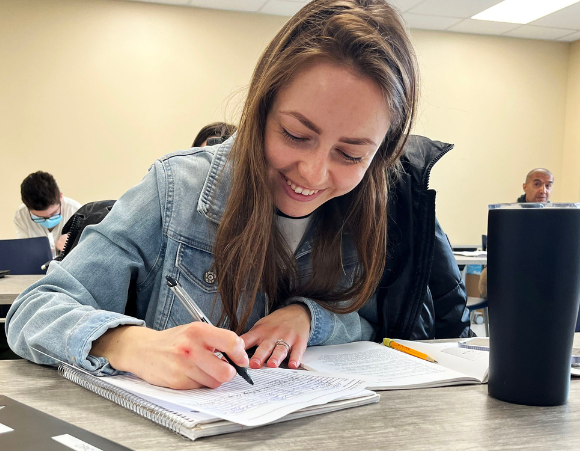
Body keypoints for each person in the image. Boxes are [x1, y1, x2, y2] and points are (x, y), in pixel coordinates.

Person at [7, 0, 464, 390]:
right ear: (261, 108)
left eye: (350, 154)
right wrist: (127, 343)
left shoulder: (371, 208)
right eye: (295, 134)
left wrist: (309, 318)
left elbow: (371, 320)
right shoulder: (175, 190)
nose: (313, 172)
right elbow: (33, 310)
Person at [13, 171, 81, 256]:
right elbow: (24, 251)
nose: (48, 221)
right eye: (39, 217)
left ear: (61, 197)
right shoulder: (21, 215)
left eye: (53, 213)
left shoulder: (77, 212)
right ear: (27, 208)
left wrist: (73, 246)